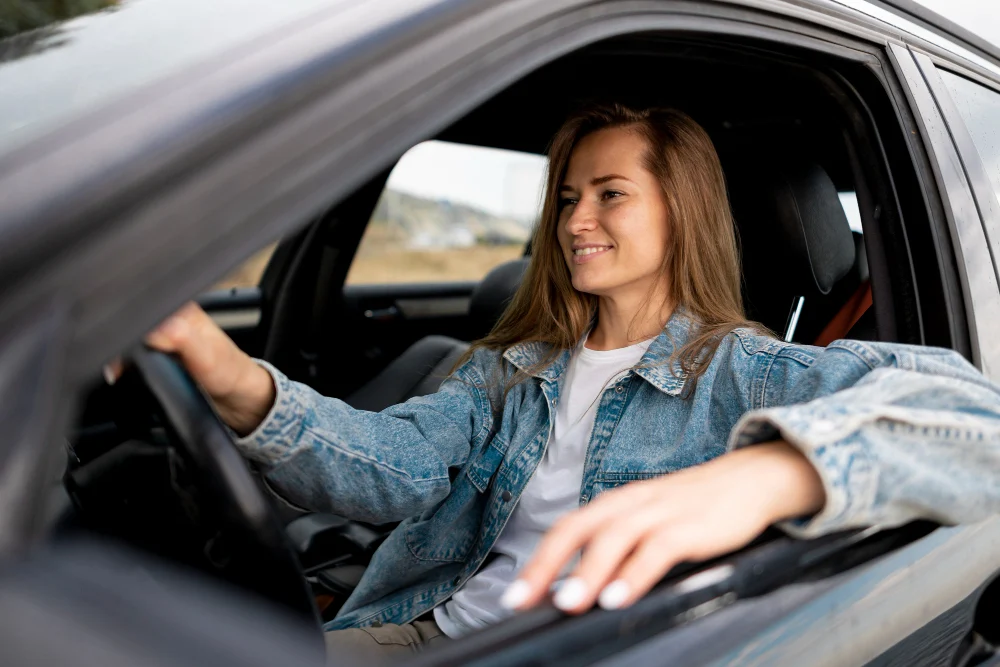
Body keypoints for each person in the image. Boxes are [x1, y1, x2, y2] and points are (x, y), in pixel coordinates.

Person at [138, 104, 1000, 659]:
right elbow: (393, 464)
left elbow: (977, 415)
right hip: (431, 628)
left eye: (610, 194)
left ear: (681, 212)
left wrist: (772, 471)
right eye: (566, 197)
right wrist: (231, 375)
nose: (574, 219)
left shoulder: (751, 372)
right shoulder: (513, 365)